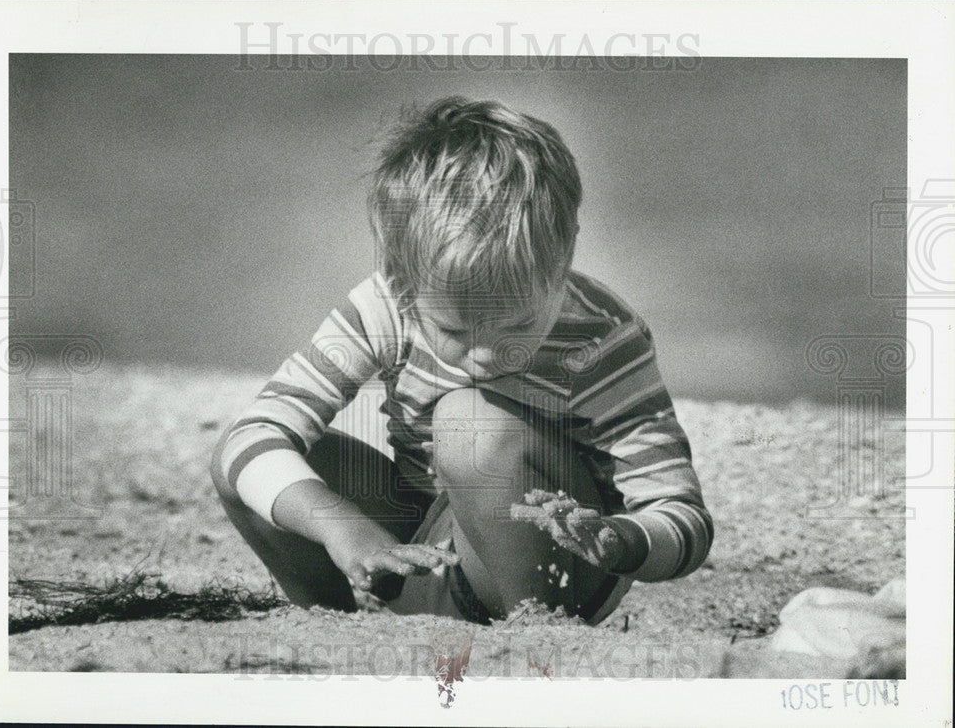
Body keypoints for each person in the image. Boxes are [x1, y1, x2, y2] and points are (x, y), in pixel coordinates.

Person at [211, 96, 713, 625]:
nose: (484, 356)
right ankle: (344, 612)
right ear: (403, 282)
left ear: (563, 259)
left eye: (518, 324)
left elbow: (684, 519)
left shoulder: (602, 339)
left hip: (551, 570)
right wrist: (342, 526)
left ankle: (535, 628)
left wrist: (627, 540)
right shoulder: (387, 308)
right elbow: (254, 436)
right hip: (414, 551)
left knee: (469, 418)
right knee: (245, 462)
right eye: (453, 329)